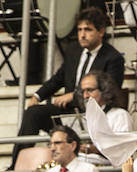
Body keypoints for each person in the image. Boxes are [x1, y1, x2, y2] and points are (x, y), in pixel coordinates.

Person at [16, 6, 123, 160]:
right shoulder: (74, 51)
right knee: (33, 113)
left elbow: (110, 90)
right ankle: (15, 165)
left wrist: (73, 96)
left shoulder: (113, 57)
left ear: (101, 32)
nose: (82, 34)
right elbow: (58, 78)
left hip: (94, 114)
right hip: (68, 112)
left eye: (88, 29)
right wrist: (37, 96)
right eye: (79, 30)